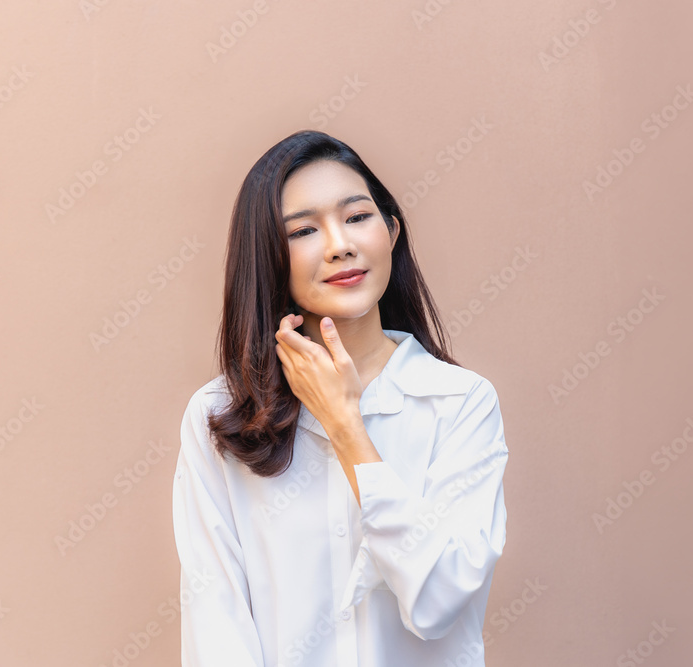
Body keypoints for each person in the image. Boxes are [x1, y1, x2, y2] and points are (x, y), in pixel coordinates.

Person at [171, 130, 509, 666]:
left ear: (391, 231)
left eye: (356, 217)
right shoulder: (219, 415)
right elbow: (216, 619)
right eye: (304, 230)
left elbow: (439, 601)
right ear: (269, 259)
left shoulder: (460, 404)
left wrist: (345, 425)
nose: (339, 244)